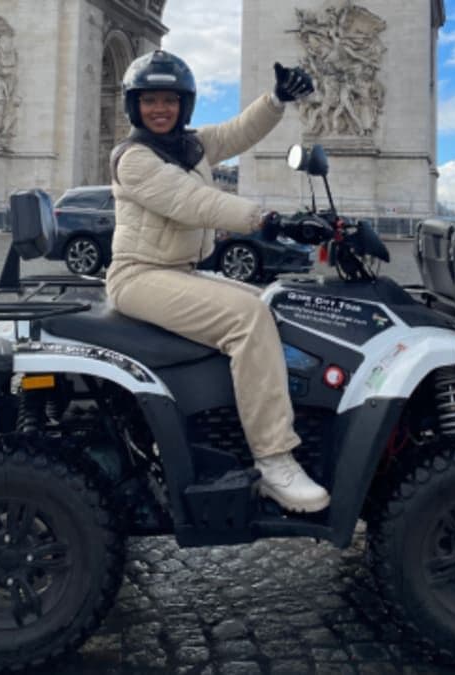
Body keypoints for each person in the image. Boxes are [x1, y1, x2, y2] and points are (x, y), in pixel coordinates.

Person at [107, 50, 329, 513]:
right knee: (247, 318)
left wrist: (276, 99)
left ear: (184, 105)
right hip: (139, 276)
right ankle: (274, 459)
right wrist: (269, 220)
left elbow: (237, 132)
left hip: (179, 271)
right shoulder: (132, 159)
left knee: (277, 302)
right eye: (150, 100)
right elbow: (194, 202)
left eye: (169, 100)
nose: (160, 109)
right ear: (135, 106)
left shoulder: (189, 146)